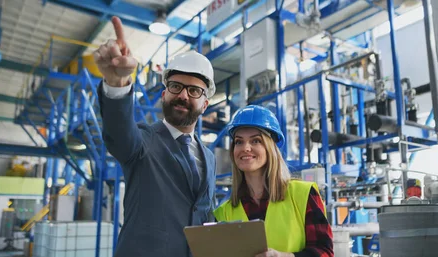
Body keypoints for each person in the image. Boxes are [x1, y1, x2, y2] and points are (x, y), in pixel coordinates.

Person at [93, 16, 217, 257]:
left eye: (194, 91)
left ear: (204, 105)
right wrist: (116, 83)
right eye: (175, 87)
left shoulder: (209, 158)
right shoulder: (143, 142)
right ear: (163, 94)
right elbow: (120, 135)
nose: (183, 95)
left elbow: (203, 212)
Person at [214, 105, 334, 257]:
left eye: (256, 141)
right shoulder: (223, 212)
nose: (246, 148)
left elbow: (325, 253)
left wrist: (285, 256)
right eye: (239, 142)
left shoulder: (303, 195)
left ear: (271, 147)